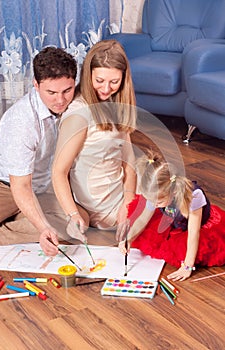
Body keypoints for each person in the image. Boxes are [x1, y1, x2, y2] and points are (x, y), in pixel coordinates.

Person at [0, 46, 77, 256]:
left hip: (38, 189)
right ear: (36, 85)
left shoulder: (74, 103)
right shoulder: (21, 121)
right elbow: (20, 185)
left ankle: (2, 233)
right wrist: (42, 227)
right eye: (51, 93)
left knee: (75, 226)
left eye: (67, 90)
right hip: (1, 184)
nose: (60, 100)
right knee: (49, 228)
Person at [52, 39, 137, 243]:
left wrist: (128, 206)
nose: (106, 88)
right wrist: (73, 215)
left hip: (120, 198)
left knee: (187, 211)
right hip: (91, 206)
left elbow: (130, 165)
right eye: (99, 80)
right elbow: (59, 171)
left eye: (114, 82)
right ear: (88, 74)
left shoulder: (116, 105)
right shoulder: (79, 113)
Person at [118, 150, 225, 281]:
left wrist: (187, 266)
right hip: (175, 220)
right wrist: (129, 237)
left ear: (173, 192)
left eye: (159, 201)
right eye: (151, 201)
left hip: (199, 226)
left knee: (190, 251)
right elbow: (143, 218)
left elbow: (193, 233)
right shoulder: (157, 198)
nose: (154, 205)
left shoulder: (194, 196)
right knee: (145, 229)